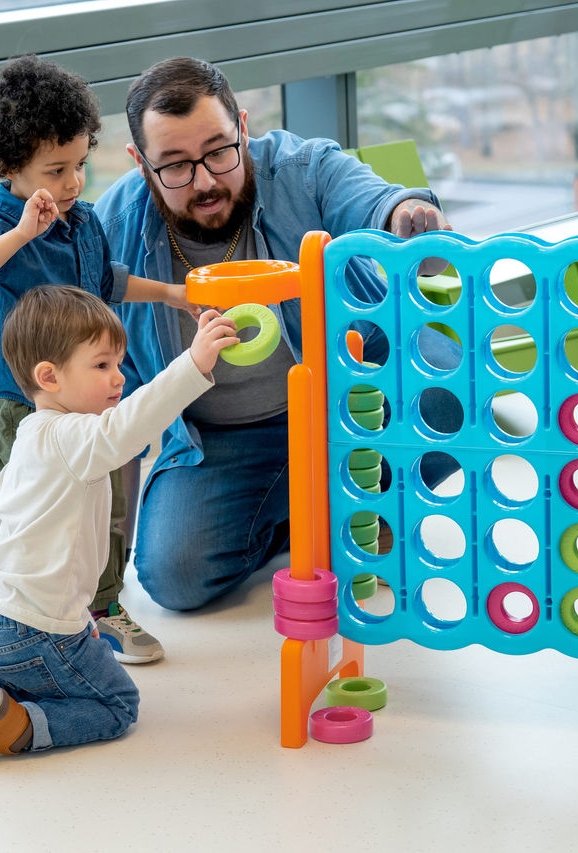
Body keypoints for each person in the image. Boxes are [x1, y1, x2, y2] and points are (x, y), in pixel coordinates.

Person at [95, 57, 458, 612]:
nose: (207, 180)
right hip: (220, 438)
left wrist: (409, 215)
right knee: (176, 578)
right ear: (140, 163)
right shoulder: (112, 228)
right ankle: (309, 512)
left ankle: (364, 502)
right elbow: (98, 373)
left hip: (350, 404)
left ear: (243, 128)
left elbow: (379, 202)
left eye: (219, 150)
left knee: (453, 385)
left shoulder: (300, 167)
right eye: (175, 165)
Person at [0, 285, 237, 760]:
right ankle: (12, 726)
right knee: (117, 705)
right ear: (49, 376)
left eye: (118, 364)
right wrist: (192, 365)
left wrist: (75, 621)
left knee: (41, 673)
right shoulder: (76, 438)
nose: (118, 378)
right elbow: (127, 428)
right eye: (101, 366)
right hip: (31, 630)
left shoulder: (30, 432)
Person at [0, 55, 202, 663]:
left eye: (79, 164)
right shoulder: (2, 225)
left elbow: (104, 283)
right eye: (55, 170)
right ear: (10, 167)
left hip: (89, 398)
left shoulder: (83, 221)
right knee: (42, 515)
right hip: (22, 403)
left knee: (105, 508)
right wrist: (22, 235)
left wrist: (169, 293)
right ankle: (29, 617)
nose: (72, 182)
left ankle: (101, 608)